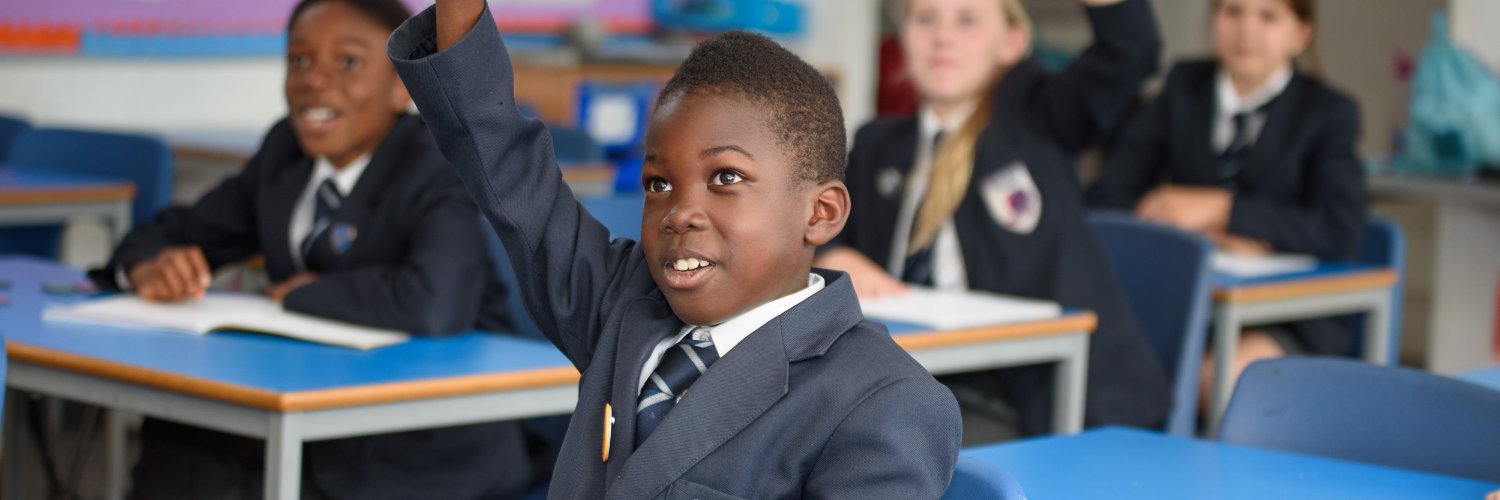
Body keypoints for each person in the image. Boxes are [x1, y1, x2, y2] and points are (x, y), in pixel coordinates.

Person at [387, 0, 963, 496]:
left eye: (727, 178)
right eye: (658, 184)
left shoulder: (885, 404)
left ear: (822, 212)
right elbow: (505, 165)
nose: (680, 212)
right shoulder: (625, 309)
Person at [92, 0, 532, 497]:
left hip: (420, 445)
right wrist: (149, 267)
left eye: (348, 63)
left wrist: (297, 294)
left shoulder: (436, 164)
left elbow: (434, 302)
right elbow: (177, 230)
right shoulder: (286, 153)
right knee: (179, 436)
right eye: (299, 61)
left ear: (400, 87)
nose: (314, 82)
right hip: (304, 404)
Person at [815, 0, 1171, 435]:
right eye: (926, 19)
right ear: (903, 39)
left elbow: (1130, 52)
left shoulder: (1040, 115)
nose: (943, 37)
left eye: (967, 20)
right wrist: (835, 254)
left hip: (1036, 397)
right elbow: (811, 231)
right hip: (917, 381)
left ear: (1013, 42)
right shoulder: (877, 145)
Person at [1086, 0, 1364, 395]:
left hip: (1289, 316)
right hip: (1185, 302)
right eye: (1232, 12)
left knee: (1215, 378)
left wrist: (1222, 209)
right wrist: (1181, 227)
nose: (1246, 30)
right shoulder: (1184, 86)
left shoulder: (1328, 112)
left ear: (1301, 35)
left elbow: (1340, 230)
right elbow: (1107, 193)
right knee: (1113, 364)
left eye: (1268, 17)